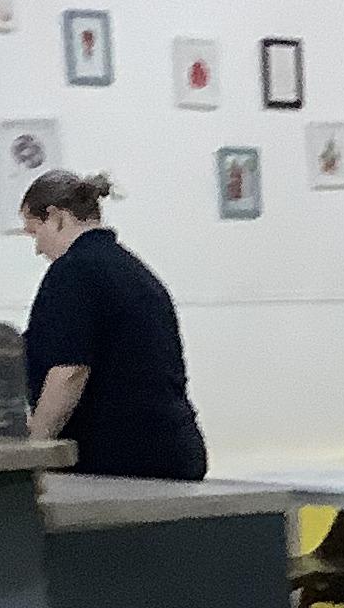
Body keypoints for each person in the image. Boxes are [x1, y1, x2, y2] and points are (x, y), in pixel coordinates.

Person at [20, 171, 207, 480]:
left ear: (55, 216)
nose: (38, 248)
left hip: (119, 462)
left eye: (34, 232)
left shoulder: (74, 272)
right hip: (171, 450)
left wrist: (35, 450)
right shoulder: (133, 271)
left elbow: (69, 372)